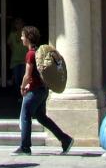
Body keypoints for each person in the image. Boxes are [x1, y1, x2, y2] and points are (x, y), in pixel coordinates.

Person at [13, 25, 74, 155]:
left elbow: (27, 75)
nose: (21, 38)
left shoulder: (30, 54)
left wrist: (22, 87)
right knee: (41, 117)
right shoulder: (38, 52)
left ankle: (25, 147)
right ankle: (65, 139)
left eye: (23, 35)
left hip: (34, 91)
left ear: (28, 38)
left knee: (25, 116)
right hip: (43, 90)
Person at [8, 17, 27, 89]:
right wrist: (13, 50)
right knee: (16, 79)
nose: (18, 25)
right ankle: (17, 95)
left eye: (20, 23)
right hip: (15, 60)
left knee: (24, 78)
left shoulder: (26, 33)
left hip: (24, 60)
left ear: (23, 24)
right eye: (16, 23)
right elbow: (9, 43)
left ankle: (23, 95)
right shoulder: (12, 34)